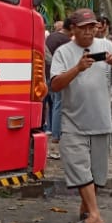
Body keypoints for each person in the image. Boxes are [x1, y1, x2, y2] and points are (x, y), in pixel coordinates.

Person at [50, 8, 112, 223]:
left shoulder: (106, 46)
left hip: (102, 121)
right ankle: (95, 216)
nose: (88, 31)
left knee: (95, 174)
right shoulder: (64, 52)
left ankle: (86, 212)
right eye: (83, 27)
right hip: (73, 122)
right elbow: (55, 85)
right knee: (79, 168)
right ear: (73, 29)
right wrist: (77, 68)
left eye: (91, 27)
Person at [45, 18, 73, 159]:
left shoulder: (50, 37)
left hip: (47, 75)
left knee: (52, 104)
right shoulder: (66, 41)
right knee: (58, 104)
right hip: (59, 76)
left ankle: (50, 129)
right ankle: (56, 135)